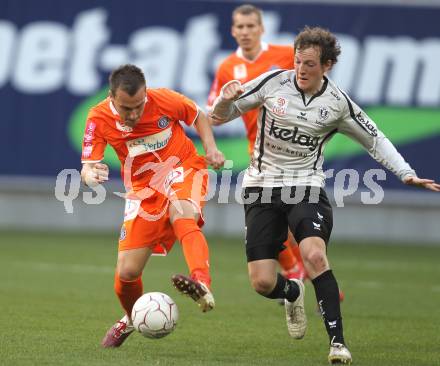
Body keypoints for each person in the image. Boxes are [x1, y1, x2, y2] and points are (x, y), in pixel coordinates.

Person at [210, 26, 440, 364]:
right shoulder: (273, 82)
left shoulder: (337, 103)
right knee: (261, 282)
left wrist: (405, 173)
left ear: (327, 66)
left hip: (306, 187)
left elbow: (375, 139)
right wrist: (226, 100)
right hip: (261, 187)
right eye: (298, 62)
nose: (301, 70)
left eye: (310, 65)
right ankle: (292, 291)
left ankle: (337, 344)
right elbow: (218, 117)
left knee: (314, 255)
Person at [80, 64, 225, 348]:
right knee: (126, 275)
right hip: (143, 191)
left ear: (146, 94)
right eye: (126, 109)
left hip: (182, 168)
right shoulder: (97, 117)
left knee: (183, 215)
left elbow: (197, 116)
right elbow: (87, 166)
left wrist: (211, 148)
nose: (134, 114)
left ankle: (202, 282)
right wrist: (90, 175)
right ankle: (132, 318)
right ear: (112, 98)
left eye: (138, 106)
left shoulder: (163, 99)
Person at [207, 3, 306, 282]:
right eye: (240, 26)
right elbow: (214, 114)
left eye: (251, 26)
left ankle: (302, 270)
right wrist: (227, 101)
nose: (246, 32)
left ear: (262, 29)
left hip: (295, 146)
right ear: (233, 31)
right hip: (260, 150)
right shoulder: (227, 67)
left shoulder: (286, 56)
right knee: (276, 214)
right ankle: (297, 270)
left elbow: (313, 84)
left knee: (294, 217)